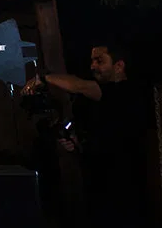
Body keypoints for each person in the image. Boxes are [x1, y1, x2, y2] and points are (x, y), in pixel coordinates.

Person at [22, 41, 152, 227]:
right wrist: (75, 144)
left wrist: (44, 79)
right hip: (98, 184)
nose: (93, 66)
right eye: (92, 61)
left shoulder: (126, 92)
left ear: (119, 65)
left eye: (99, 61)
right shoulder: (92, 101)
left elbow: (80, 85)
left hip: (124, 186)